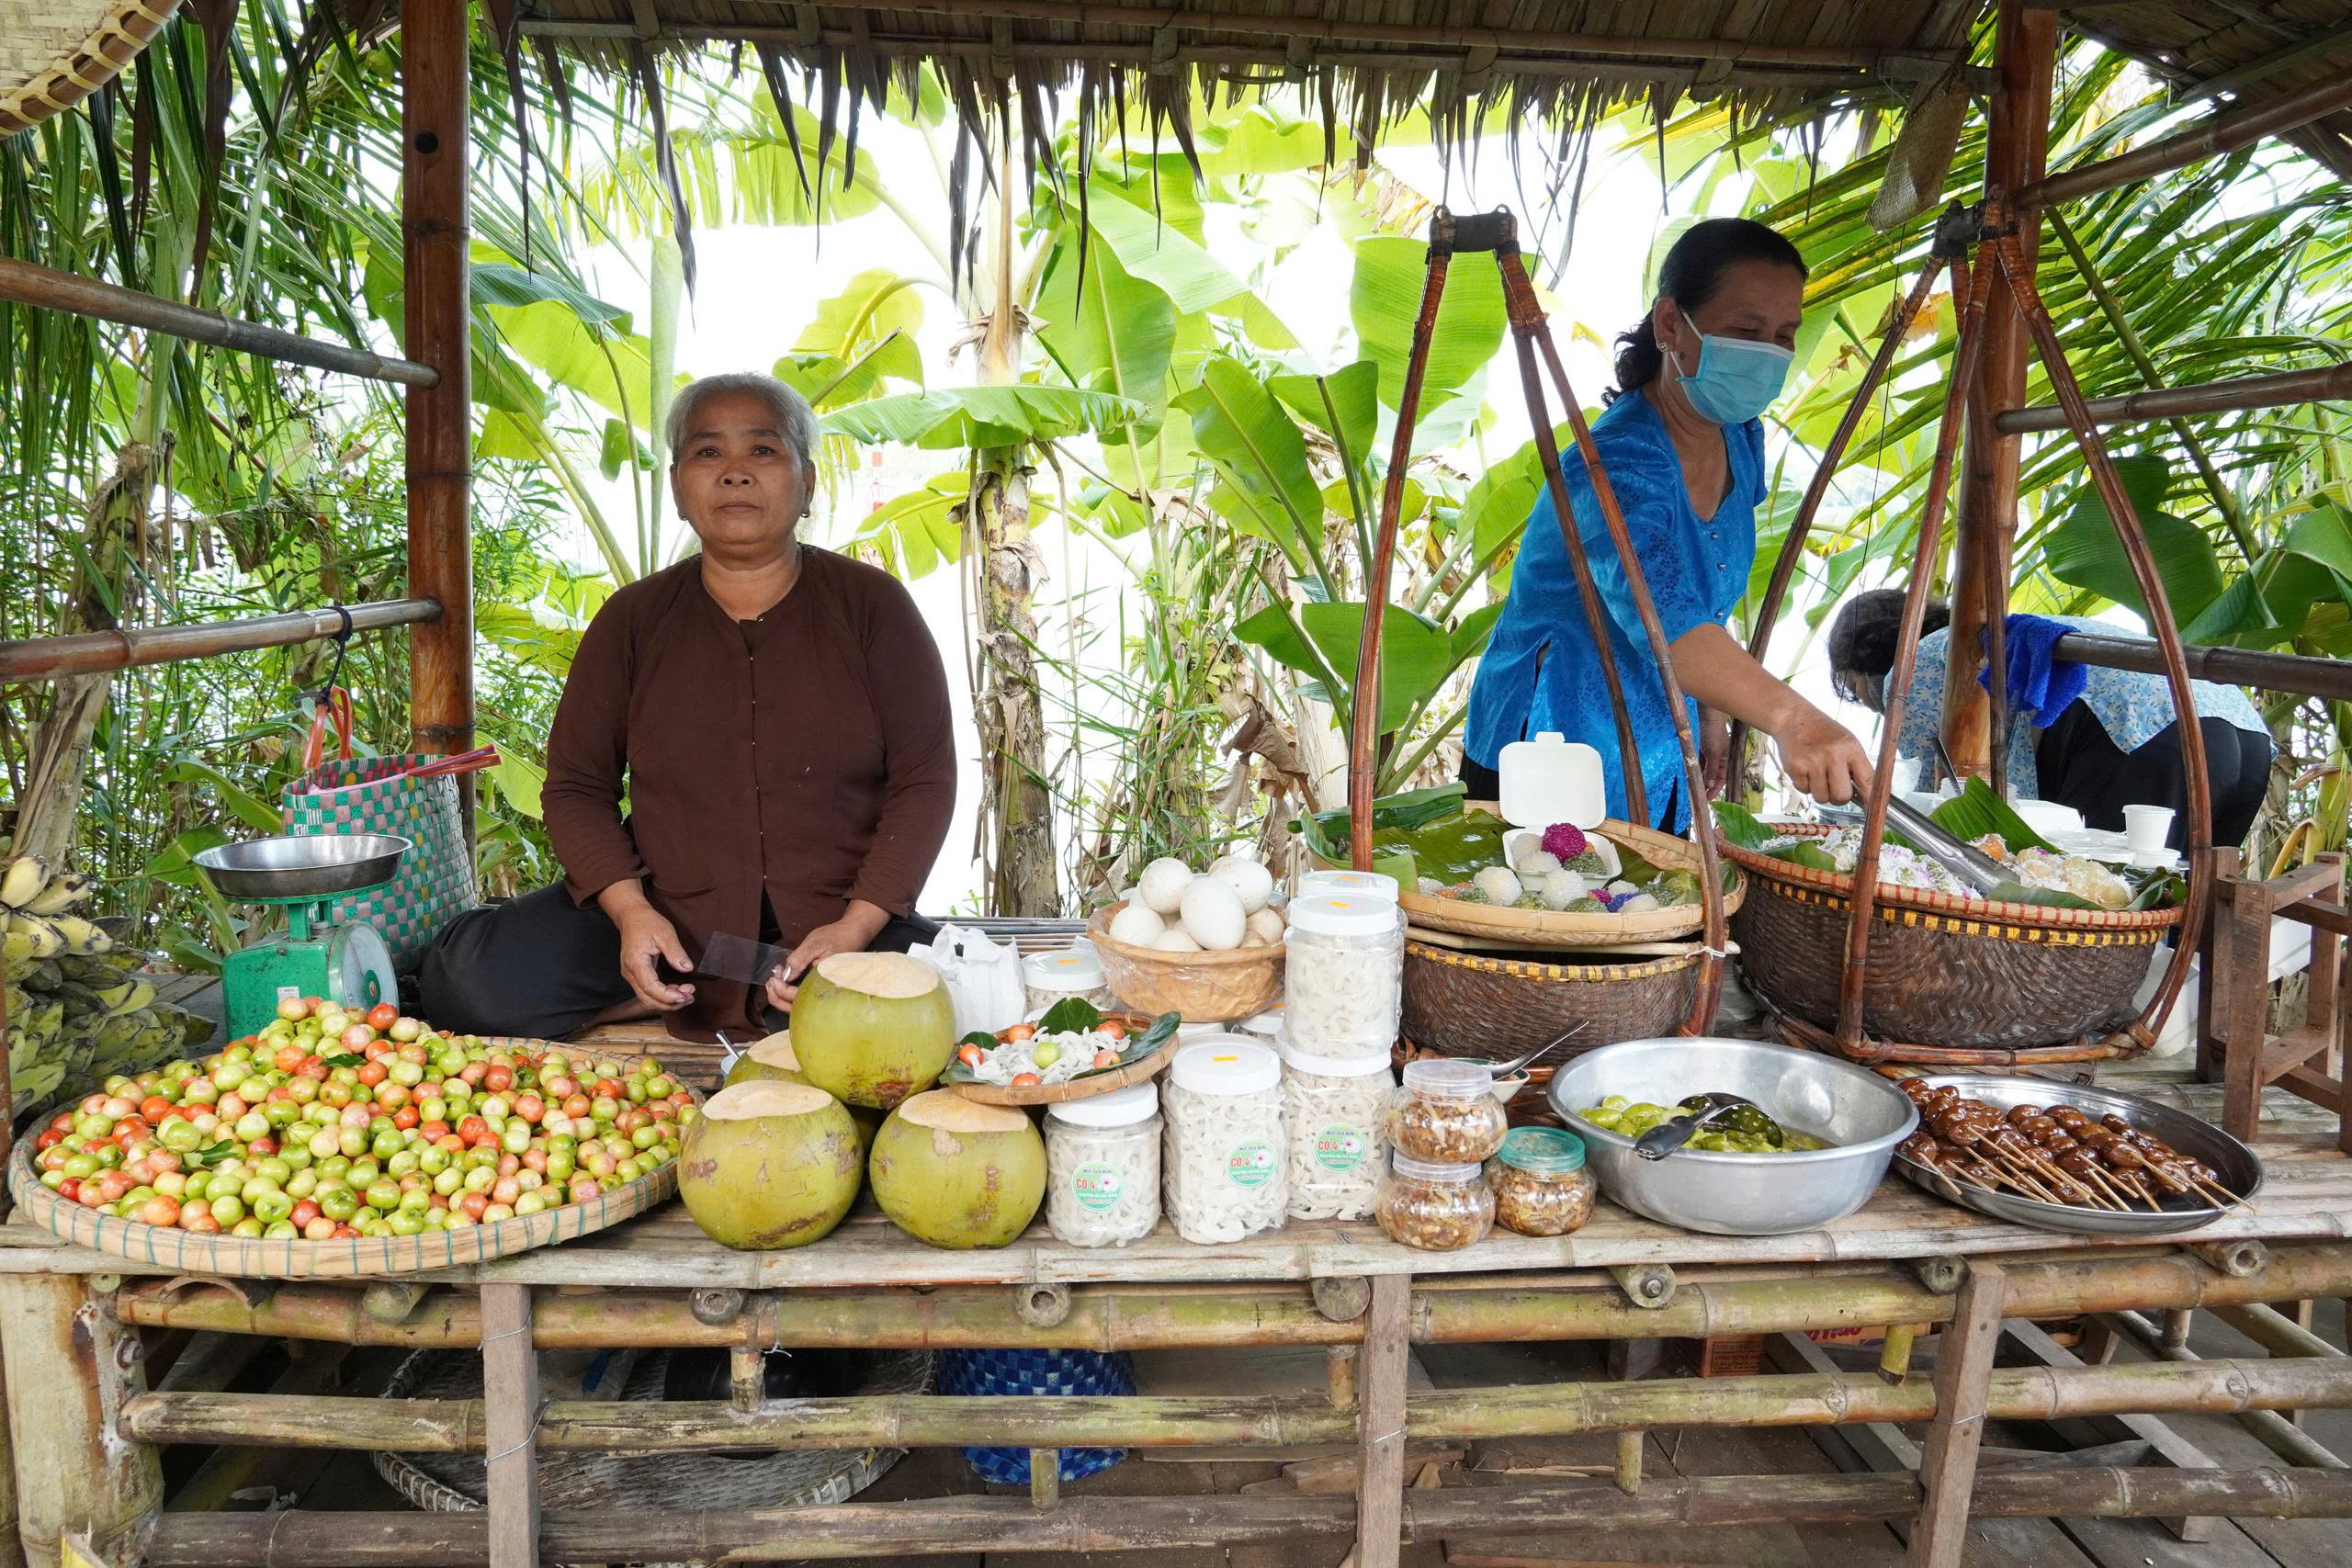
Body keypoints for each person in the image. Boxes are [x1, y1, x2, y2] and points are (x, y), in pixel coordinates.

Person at [418, 372, 956, 1040]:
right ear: (677, 487)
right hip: (672, 924)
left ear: (808, 482)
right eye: (708, 453)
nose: (734, 473)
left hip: (834, 927)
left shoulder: (874, 608)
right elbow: (578, 787)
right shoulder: (633, 620)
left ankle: (765, 989)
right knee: (460, 980)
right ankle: (660, 991)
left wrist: (855, 925)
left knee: (955, 1002)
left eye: (763, 450)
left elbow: (924, 779)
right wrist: (630, 912)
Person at [1462, 218, 1872, 829]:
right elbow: (1668, 619)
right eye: (1746, 330)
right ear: (1670, 325)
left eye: (1785, 335)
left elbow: (1705, 590)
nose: (1771, 354)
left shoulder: (1741, 439)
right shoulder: (1614, 466)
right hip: (1550, 750)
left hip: (1657, 742)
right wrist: (1794, 718)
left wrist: (1710, 707)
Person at [1826, 590, 2272, 852]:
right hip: (2242, 734)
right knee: (2178, 901)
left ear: (1871, 664)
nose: (1875, 708)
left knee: (2104, 906)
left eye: (1860, 691)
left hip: (2147, 737)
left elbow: (1945, 799)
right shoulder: (1987, 640)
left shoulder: (1924, 663)